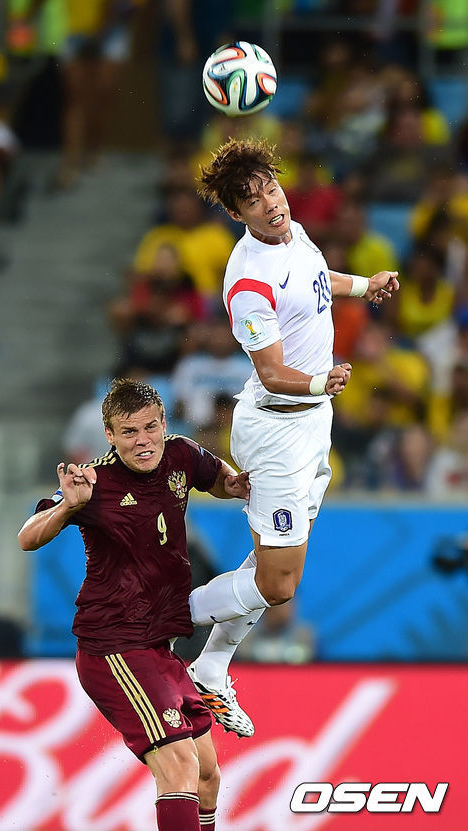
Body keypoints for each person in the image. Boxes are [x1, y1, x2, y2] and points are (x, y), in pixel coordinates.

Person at [185, 138, 399, 738]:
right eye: (253, 201)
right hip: (278, 426)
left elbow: (314, 279)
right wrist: (321, 380)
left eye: (271, 188)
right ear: (237, 213)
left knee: (270, 564)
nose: (271, 204)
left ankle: (211, 666)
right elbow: (273, 372)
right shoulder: (248, 282)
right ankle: (163, 615)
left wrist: (363, 285)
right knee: (278, 585)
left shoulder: (293, 234)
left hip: (310, 422)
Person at [18, 378, 250, 831]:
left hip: (159, 645)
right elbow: (27, 537)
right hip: (115, 646)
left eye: (150, 427)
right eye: (129, 432)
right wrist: (67, 507)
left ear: (164, 422)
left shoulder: (181, 453)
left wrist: (235, 484)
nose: (143, 441)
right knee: (179, 767)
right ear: (109, 434)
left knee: (206, 775)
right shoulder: (93, 481)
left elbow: (217, 479)